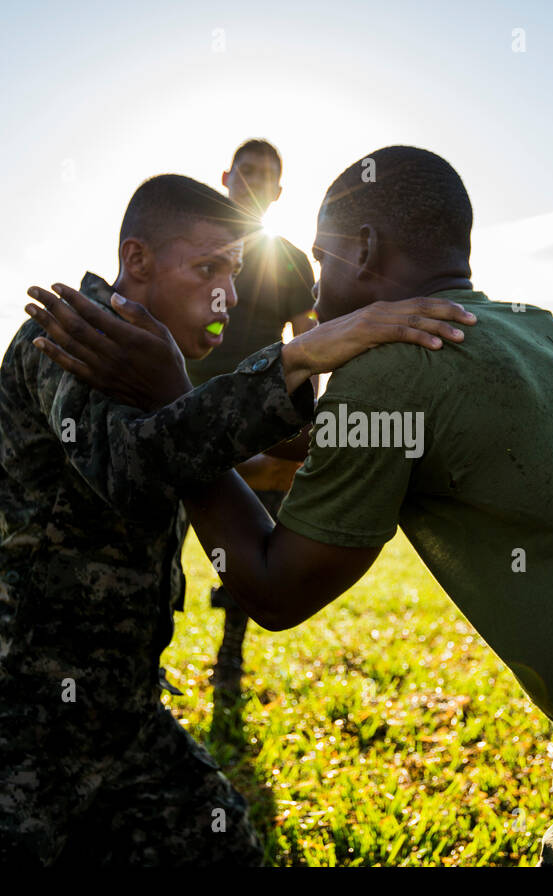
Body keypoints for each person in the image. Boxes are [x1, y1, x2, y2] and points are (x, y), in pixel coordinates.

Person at [31, 146, 553, 866]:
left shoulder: (392, 370)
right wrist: (222, 407)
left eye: (324, 259)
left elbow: (273, 590)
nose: (314, 283)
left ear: (362, 247)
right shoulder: (535, 330)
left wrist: (177, 413)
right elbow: (347, 440)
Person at [0, 172, 475, 866]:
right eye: (206, 269)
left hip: (125, 724)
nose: (225, 292)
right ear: (138, 261)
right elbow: (139, 469)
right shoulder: (68, 335)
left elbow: (208, 436)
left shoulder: (146, 362)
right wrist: (301, 355)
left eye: (232, 269)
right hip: (20, 723)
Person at [189, 139, 318, 703]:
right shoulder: (192, 250)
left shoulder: (289, 258)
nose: (256, 182)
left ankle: (229, 657)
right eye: (247, 172)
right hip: (183, 404)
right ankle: (145, 652)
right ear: (226, 176)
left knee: (245, 540)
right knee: (157, 531)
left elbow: (309, 340)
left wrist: (300, 427)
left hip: (258, 416)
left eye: (268, 176)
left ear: (279, 191)